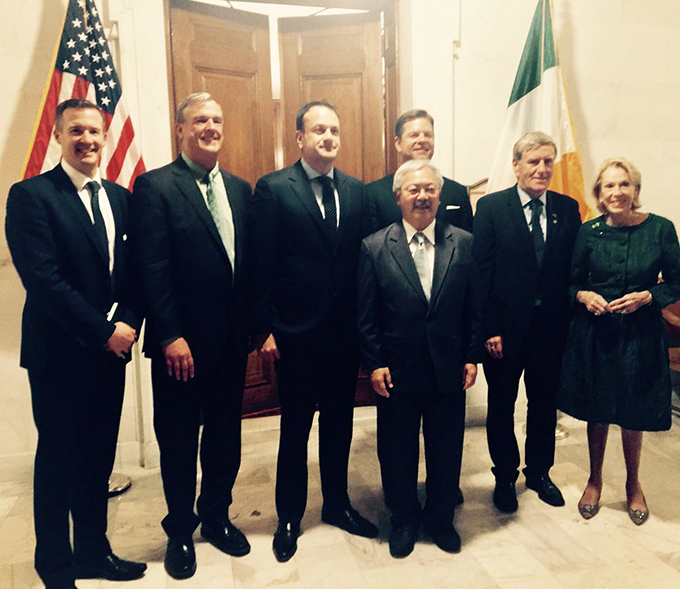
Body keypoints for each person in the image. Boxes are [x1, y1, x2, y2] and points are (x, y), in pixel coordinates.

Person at [5, 99, 146, 589]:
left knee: (98, 459)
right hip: (60, 356)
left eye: (95, 131)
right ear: (59, 137)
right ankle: (56, 567)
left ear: (106, 138)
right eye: (77, 131)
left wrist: (127, 322)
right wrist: (105, 331)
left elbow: (136, 275)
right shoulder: (31, 196)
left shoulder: (122, 198)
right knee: (59, 461)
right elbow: (43, 280)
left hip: (111, 356)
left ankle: (92, 552)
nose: (88, 140)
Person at [249, 100, 377, 563]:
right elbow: (259, 266)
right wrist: (264, 330)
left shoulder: (357, 191)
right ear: (300, 137)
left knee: (340, 424)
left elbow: (363, 264)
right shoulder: (274, 189)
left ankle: (338, 504)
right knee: (295, 427)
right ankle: (288, 516)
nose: (328, 138)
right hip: (294, 333)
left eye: (334, 131)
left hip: (344, 336)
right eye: (318, 130)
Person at [131, 92, 251, 579]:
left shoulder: (241, 189)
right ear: (181, 129)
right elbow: (151, 268)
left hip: (230, 341)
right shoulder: (155, 186)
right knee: (179, 438)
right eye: (200, 120)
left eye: (217, 119)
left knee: (225, 434)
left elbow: (249, 265)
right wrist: (169, 335)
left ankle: (216, 515)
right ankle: (180, 528)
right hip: (180, 346)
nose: (210, 127)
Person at [357, 159, 481, 558]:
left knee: (447, 448)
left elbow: (472, 308)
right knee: (397, 450)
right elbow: (367, 314)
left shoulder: (463, 242)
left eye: (430, 189)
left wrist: (471, 356)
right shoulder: (375, 246)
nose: (423, 196)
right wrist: (374, 362)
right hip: (396, 370)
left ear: (440, 195)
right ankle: (404, 518)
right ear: (398, 196)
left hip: (449, 368)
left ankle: (441, 518)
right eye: (414, 190)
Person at [558, 158, 680, 524]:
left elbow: (676, 280)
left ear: (635, 191)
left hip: (639, 335)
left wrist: (649, 296)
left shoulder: (660, 229)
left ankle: (632, 484)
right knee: (598, 409)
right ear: (599, 193)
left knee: (634, 410)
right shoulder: (587, 231)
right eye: (609, 186)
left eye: (623, 185)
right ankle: (594, 480)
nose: (617, 192)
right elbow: (569, 282)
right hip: (596, 334)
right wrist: (583, 296)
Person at [473, 131, 581, 513]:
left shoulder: (567, 209)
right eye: (533, 161)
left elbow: (571, 271)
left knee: (543, 404)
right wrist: (488, 329)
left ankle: (538, 472)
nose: (541, 169)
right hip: (504, 331)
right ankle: (505, 475)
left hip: (551, 330)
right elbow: (481, 273)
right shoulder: (490, 208)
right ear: (516, 165)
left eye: (548, 161)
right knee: (501, 404)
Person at [367, 109, 472, 233]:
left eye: (428, 135)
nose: (422, 140)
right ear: (398, 143)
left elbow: (467, 245)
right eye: (414, 135)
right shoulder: (373, 193)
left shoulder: (457, 192)